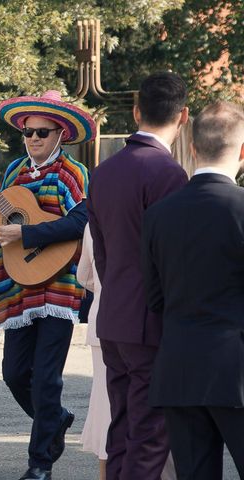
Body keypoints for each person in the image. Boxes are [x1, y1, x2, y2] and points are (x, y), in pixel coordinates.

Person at [0, 90, 93, 480]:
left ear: (60, 135)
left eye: (42, 132)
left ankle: (40, 464)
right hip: (18, 285)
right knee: (15, 374)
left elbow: (82, 222)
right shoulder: (12, 173)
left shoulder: (74, 173)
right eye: (28, 132)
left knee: (47, 376)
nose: (34, 138)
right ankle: (56, 419)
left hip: (57, 286)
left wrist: (29, 232)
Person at [86, 71, 189, 480]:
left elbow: (104, 254)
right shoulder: (168, 174)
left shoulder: (104, 172)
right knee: (149, 437)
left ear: (135, 111)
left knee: (122, 431)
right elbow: (173, 260)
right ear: (183, 116)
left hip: (113, 314)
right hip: (152, 321)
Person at [142, 101, 244, 480]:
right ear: (242, 150)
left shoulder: (159, 215)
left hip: (180, 368)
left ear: (193, 147)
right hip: (237, 368)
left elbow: (154, 298)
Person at [76, 224, 110, 480]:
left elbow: (83, 276)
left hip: (104, 317)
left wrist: (101, 288)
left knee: (105, 406)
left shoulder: (96, 220)